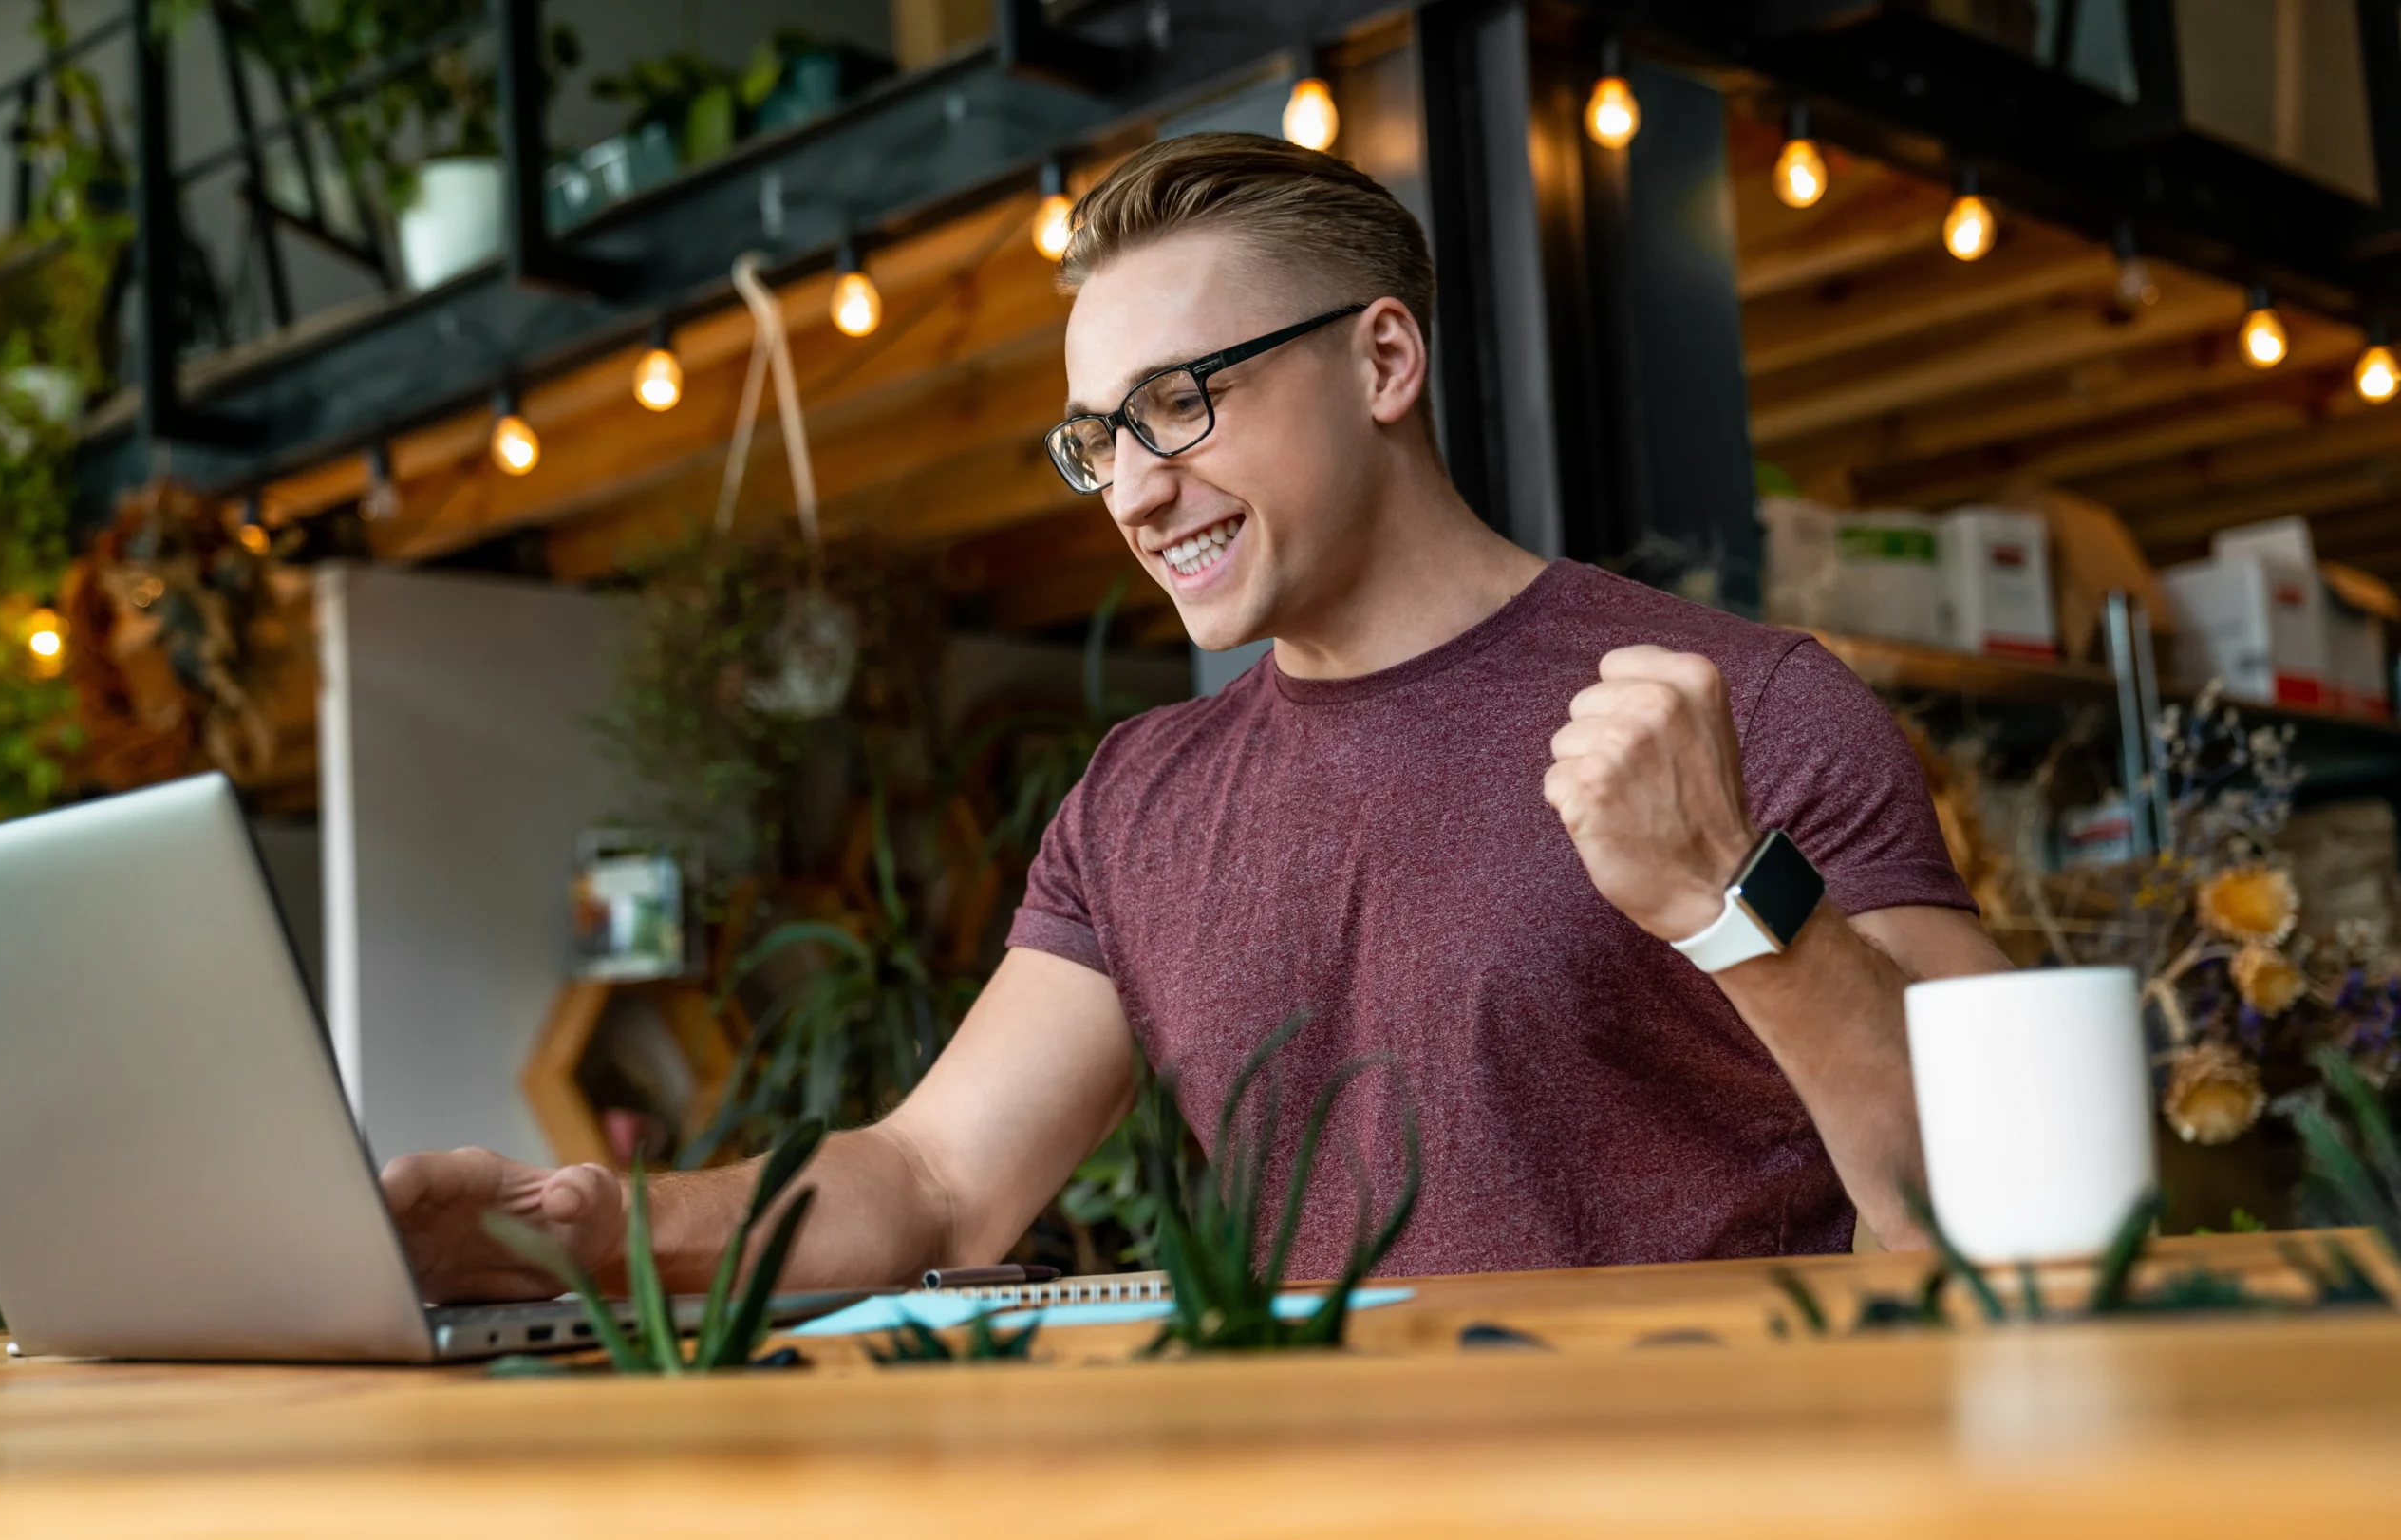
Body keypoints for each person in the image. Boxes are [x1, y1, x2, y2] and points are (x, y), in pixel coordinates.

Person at [385, 131, 2011, 1304]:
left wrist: (1740, 901)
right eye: (1098, 436)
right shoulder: (1143, 798)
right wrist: (589, 1233)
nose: (1140, 488)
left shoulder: (1742, 707)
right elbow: (938, 1181)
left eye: (1184, 400)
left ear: (1383, 361)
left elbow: (2012, 1198)